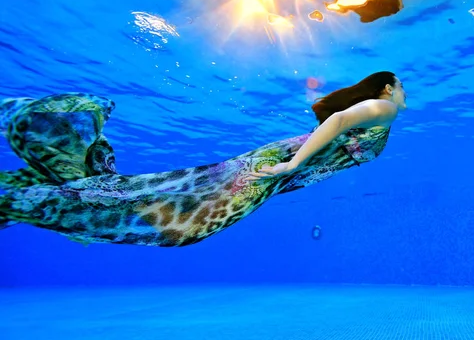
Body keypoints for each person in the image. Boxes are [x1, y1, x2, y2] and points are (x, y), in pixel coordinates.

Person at [0, 71, 407, 247]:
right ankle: (39, 203)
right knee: (185, 225)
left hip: (277, 171)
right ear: (387, 88)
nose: (404, 93)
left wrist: (290, 172)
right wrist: (292, 165)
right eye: (401, 86)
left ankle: (54, 203)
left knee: (173, 212)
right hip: (275, 165)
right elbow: (337, 119)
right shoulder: (385, 109)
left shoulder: (382, 113)